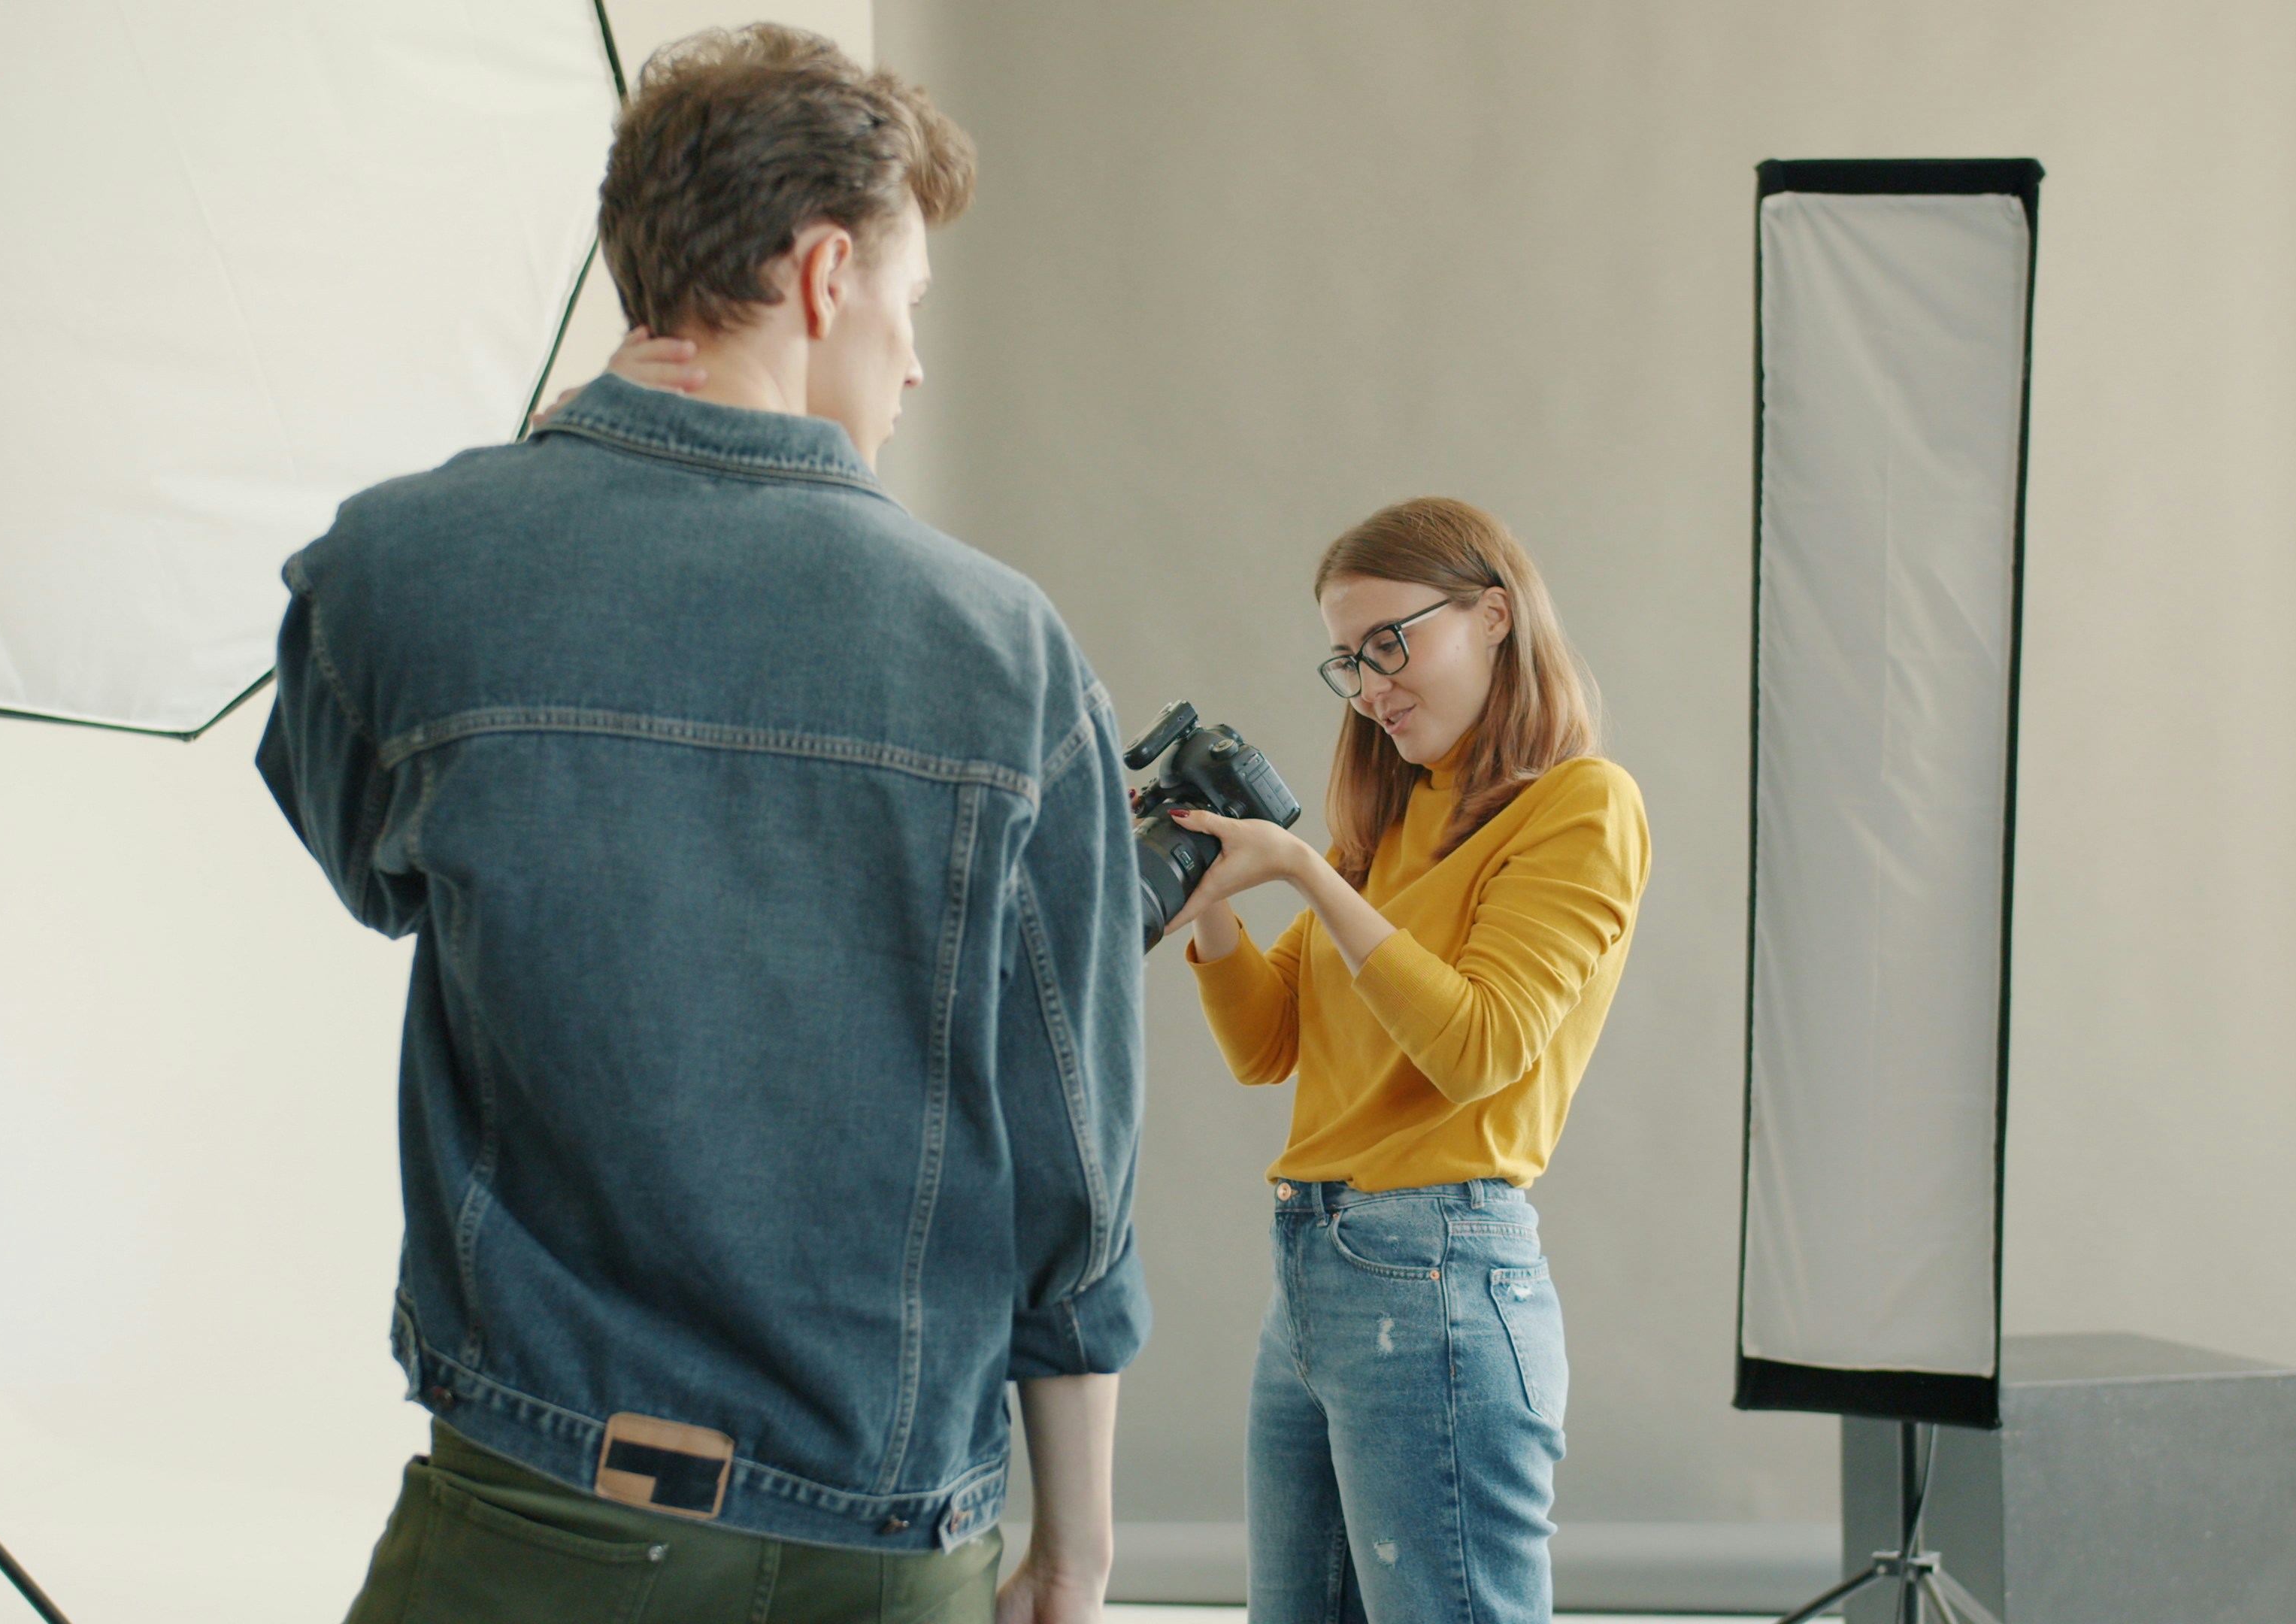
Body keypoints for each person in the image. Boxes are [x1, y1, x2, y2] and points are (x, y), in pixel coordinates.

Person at [256, 27, 1146, 1624]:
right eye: (911, 303)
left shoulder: (393, 574)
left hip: (533, 1510)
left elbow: (375, 880)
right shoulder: (1013, 657)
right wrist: (1073, 1551)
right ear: (821, 275)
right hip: (882, 1545)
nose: (916, 358)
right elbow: (1071, 1186)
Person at [1161, 497, 1651, 1624]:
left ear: (1492, 617)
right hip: (1315, 1274)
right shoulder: (1384, 826)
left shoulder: (1581, 806)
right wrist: (1216, 903)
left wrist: (1306, 874)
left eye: (1393, 643)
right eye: (1348, 660)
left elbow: (1481, 1046)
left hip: (1436, 1272)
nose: (1373, 685)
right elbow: (1267, 1046)